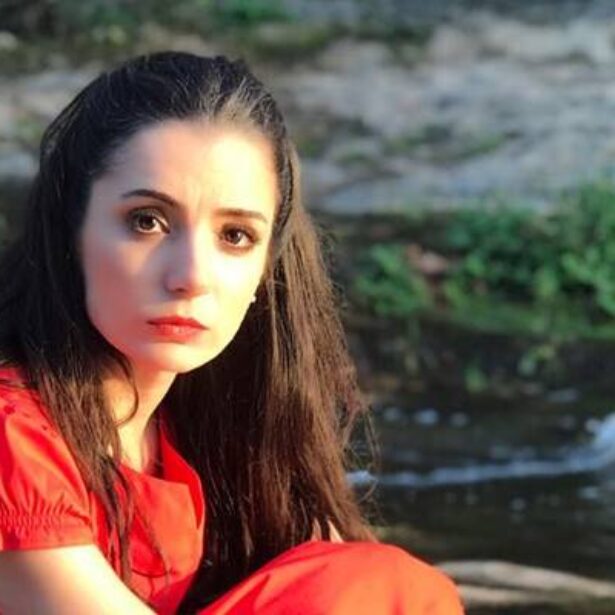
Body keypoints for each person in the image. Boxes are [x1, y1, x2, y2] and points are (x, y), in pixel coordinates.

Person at [0, 52, 463, 614]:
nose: (192, 276)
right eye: (147, 221)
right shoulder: (12, 431)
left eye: (236, 236)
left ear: (266, 269)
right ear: (70, 231)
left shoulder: (214, 430)